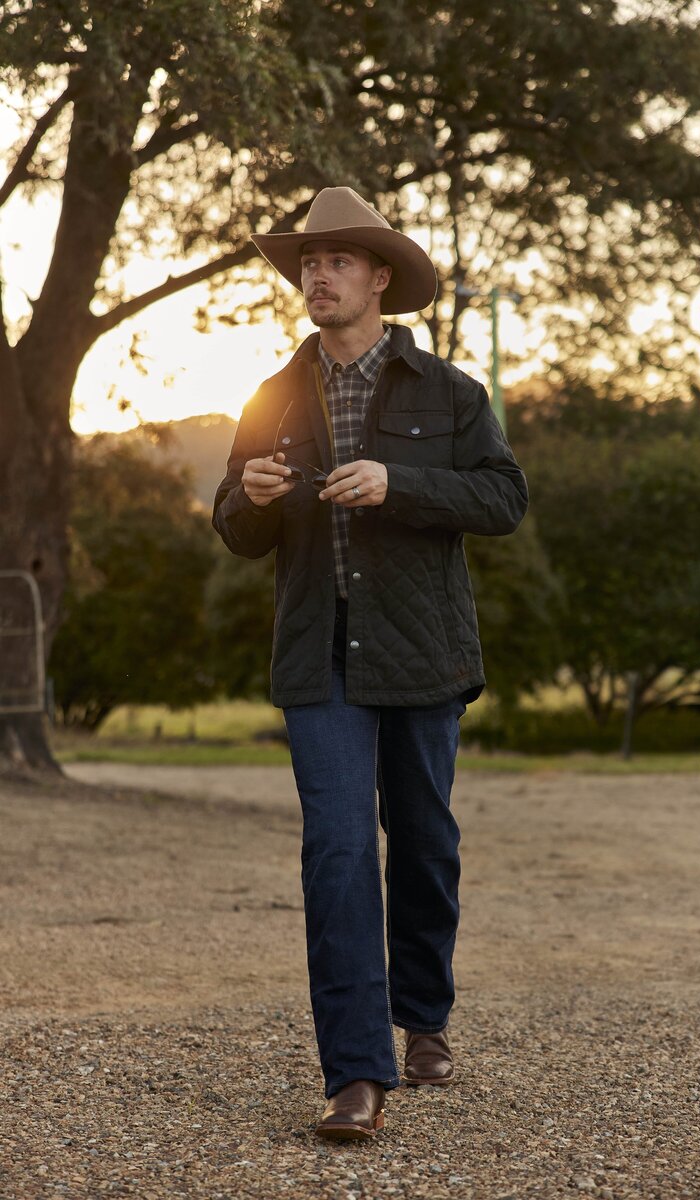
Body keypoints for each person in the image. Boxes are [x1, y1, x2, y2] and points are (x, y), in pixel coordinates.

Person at [212, 186, 528, 1141]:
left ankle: (424, 1015)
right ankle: (356, 1072)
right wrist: (255, 495)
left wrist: (400, 484)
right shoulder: (268, 397)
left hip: (424, 654)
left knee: (424, 839)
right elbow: (235, 526)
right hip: (320, 663)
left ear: (379, 278)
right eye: (309, 261)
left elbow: (504, 498)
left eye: (339, 260)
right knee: (338, 851)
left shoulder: (450, 393)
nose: (318, 273)